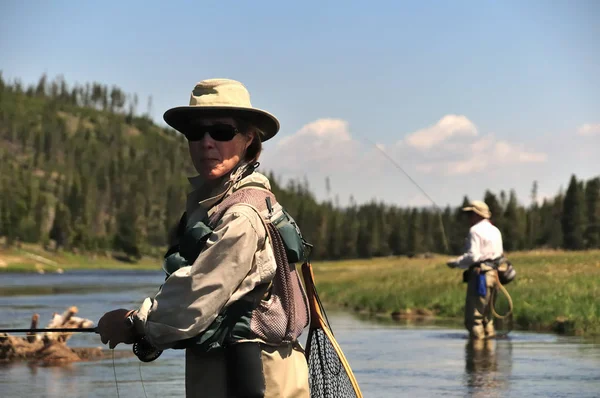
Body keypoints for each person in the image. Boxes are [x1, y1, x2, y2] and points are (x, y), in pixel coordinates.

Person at [97, 78, 311, 397]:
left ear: (248, 139)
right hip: (235, 373)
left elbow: (195, 298)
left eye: (222, 132)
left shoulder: (241, 216)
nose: (207, 142)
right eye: (196, 133)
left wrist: (133, 323)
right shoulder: (223, 203)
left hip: (253, 378)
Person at [447, 200, 503, 340]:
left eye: (470, 214)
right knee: (487, 318)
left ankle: (476, 357)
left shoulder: (475, 230)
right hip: (495, 276)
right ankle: (490, 356)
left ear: (477, 214)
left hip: (480, 277)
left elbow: (473, 257)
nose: (468, 218)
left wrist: (456, 263)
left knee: (475, 319)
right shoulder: (495, 230)